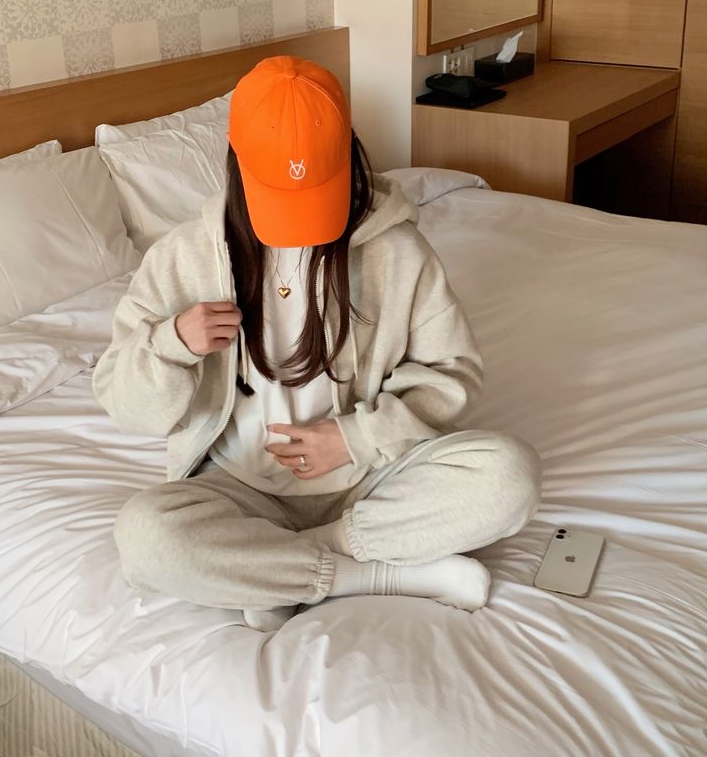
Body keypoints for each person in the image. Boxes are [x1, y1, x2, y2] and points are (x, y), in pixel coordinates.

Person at [93, 56, 540, 631]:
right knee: (146, 537)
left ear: (348, 154)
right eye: (281, 195)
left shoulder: (398, 251)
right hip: (237, 486)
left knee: (509, 476)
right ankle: (373, 575)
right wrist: (170, 344)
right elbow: (127, 408)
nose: (300, 221)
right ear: (236, 162)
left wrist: (354, 438)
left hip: (369, 474)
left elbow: (450, 372)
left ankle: (285, 564)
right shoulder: (181, 259)